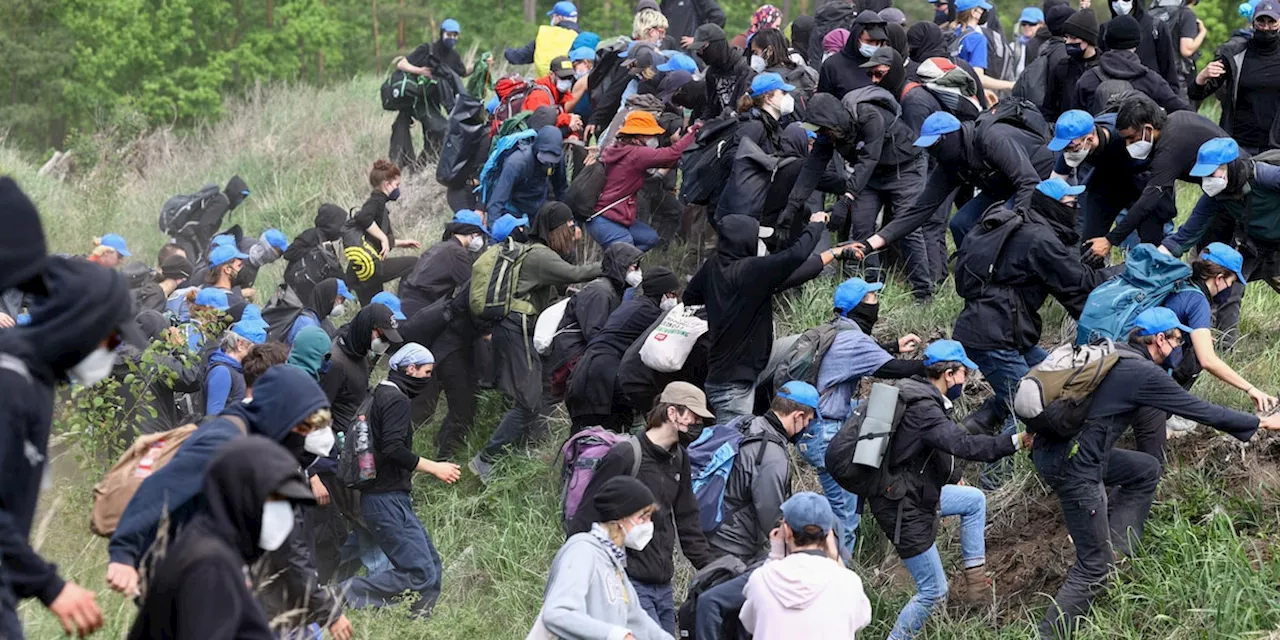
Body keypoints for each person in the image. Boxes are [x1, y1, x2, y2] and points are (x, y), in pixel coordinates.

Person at [1034, 307, 1280, 639]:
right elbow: (1201, 411)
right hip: (1077, 467)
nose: (1181, 348)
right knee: (1093, 567)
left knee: (1145, 469)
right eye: (1178, 339)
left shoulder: (1116, 354)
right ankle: (1050, 633)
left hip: (1056, 452)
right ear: (1160, 340)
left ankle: (1119, 549)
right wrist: (1261, 422)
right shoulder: (1143, 374)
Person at [0, 199, 146, 638]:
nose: (112, 351)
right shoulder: (10, 381)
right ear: (82, 325)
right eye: (112, 337)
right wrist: (51, 585)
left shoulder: (38, 381)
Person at [106, 366, 332, 597]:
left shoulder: (256, 440)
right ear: (281, 412)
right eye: (303, 426)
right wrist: (123, 553)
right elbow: (159, 488)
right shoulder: (225, 441)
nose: (302, 435)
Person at [953, 178, 1114, 486]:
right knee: (1029, 408)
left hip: (1002, 329)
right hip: (996, 337)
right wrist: (1119, 273)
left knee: (1050, 377)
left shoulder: (1024, 224)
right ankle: (993, 485)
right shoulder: (1039, 238)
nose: (1076, 210)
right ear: (1053, 206)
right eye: (1070, 204)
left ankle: (974, 426)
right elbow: (1077, 282)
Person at [869, 341, 1030, 639]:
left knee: (973, 500)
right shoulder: (925, 409)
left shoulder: (916, 392)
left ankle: (977, 585)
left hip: (913, 490)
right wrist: (1014, 442)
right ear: (948, 374)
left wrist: (953, 475)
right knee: (933, 591)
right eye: (964, 373)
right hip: (902, 505)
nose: (965, 380)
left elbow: (932, 445)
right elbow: (962, 444)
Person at [126, 436, 318, 640]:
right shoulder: (210, 564)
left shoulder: (218, 546)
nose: (284, 516)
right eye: (275, 502)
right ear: (242, 497)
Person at [567, 382, 719, 633]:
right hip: (627, 581)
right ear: (672, 413)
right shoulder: (626, 456)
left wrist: (714, 569)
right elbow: (587, 516)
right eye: (693, 416)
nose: (697, 425)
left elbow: (688, 520)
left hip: (663, 584)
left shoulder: (679, 459)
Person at [469, 204, 603, 483]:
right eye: (570, 227)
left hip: (516, 328)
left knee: (541, 390)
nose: (574, 233)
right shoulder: (540, 255)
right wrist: (613, 264)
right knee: (529, 401)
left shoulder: (537, 252)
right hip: (517, 329)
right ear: (557, 229)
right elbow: (575, 273)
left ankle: (523, 446)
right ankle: (486, 459)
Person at [788, 53, 934, 300]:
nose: (821, 135)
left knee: (907, 229)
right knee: (862, 229)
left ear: (831, 122)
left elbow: (868, 159)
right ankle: (870, 288)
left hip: (905, 169)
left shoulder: (868, 115)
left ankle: (923, 292)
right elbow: (812, 168)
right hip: (872, 176)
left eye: (822, 130)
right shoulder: (828, 131)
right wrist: (792, 205)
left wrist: (845, 201)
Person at [685, 213, 854, 423]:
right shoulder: (749, 270)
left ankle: (782, 402)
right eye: (757, 239)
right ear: (744, 242)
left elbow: (690, 296)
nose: (761, 244)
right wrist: (816, 224)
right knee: (734, 449)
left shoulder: (715, 266)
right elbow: (795, 256)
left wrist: (833, 253)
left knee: (813, 341)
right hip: (731, 387)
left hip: (755, 363)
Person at [801, 277, 924, 554]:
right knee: (845, 516)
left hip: (816, 427)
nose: (876, 303)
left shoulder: (837, 329)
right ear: (857, 306)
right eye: (871, 299)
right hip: (826, 432)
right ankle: (838, 576)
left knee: (875, 406)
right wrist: (935, 364)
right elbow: (892, 370)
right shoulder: (854, 340)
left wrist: (892, 345)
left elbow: (863, 353)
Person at [1126, 243, 1278, 460]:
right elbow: (1208, 360)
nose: (1229, 289)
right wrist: (1251, 388)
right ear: (1219, 278)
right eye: (1231, 282)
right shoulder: (1199, 301)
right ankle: (1163, 414)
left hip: (1134, 355)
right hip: (1149, 378)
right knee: (1152, 465)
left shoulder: (1182, 282)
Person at [340, 344, 461, 617]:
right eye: (426, 372)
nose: (429, 379)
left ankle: (419, 623)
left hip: (386, 497)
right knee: (420, 572)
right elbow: (394, 448)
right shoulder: (395, 400)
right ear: (411, 369)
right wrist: (435, 468)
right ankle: (341, 595)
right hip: (385, 499)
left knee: (430, 566)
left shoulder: (379, 392)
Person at [856, 108, 1054, 259]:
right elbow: (918, 210)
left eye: (934, 145)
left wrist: (1014, 221)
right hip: (1001, 185)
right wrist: (870, 243)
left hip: (1035, 175)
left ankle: (1009, 279)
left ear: (950, 137)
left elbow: (1028, 182)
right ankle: (975, 276)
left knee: (1000, 225)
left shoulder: (991, 140)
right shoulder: (949, 165)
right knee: (961, 223)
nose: (932, 153)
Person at [1085, 94, 1228, 257]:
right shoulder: (1174, 122)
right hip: (1219, 190)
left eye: (1132, 138)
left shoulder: (1168, 149)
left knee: (1211, 256)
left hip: (1231, 189)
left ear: (1148, 129)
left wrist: (1110, 240)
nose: (1128, 145)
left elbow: (1148, 200)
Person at [535, 476, 672, 639]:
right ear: (620, 517)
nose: (649, 524)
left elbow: (637, 619)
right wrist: (616, 635)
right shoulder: (582, 552)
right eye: (643, 517)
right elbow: (557, 613)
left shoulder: (614, 562)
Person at [709, 382, 820, 562]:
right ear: (798, 416)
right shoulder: (772, 454)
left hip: (713, 529)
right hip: (734, 546)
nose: (807, 427)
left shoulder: (745, 423)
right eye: (808, 421)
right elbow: (772, 515)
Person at [738, 492, 872, 639]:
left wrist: (775, 554)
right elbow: (861, 619)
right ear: (829, 535)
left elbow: (749, 623)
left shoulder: (760, 580)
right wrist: (835, 558)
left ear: (787, 532)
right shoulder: (849, 583)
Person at [565, 267, 682, 431]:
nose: (674, 299)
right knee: (604, 440)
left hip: (586, 373)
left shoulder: (632, 306)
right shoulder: (650, 314)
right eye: (672, 294)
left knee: (586, 439)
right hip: (603, 380)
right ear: (663, 294)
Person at [548, 243, 644, 401]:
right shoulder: (599, 292)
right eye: (634, 267)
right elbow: (594, 334)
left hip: (580, 356)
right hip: (572, 357)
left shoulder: (612, 290)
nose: (638, 272)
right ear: (620, 265)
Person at [589, 112, 697, 249]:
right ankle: (622, 266)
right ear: (639, 136)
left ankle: (628, 264)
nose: (653, 139)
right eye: (650, 135)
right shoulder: (636, 154)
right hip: (609, 218)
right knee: (624, 256)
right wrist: (692, 132)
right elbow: (671, 155)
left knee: (649, 238)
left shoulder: (617, 148)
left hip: (606, 215)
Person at [1188, 0, 1280, 154]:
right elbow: (1196, 93)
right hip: (1240, 143)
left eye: (1272, 22)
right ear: (1252, 22)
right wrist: (1202, 77)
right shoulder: (1234, 54)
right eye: (1261, 21)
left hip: (1276, 147)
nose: (1266, 27)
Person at [1073, 15, 1189, 114]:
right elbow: (1181, 110)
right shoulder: (1151, 80)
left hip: (1097, 139)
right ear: (1137, 43)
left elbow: (1074, 118)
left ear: (1107, 41)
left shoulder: (1087, 79)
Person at [115, 310, 204, 436]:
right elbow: (192, 379)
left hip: (117, 438)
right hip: (154, 439)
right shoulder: (156, 362)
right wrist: (180, 348)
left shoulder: (111, 360)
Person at [344, 159, 421, 305]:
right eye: (397, 184)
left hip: (361, 270)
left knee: (373, 310)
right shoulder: (377, 201)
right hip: (371, 266)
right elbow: (363, 217)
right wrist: (384, 239)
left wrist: (401, 243)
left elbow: (372, 236)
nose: (398, 189)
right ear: (387, 184)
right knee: (414, 264)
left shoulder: (378, 202)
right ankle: (404, 305)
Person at [399, 210, 488, 318]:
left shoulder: (440, 247)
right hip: (422, 307)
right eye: (479, 234)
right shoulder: (457, 253)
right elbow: (472, 289)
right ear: (473, 234)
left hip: (407, 302)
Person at [486, 125, 570, 223]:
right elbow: (497, 201)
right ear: (537, 148)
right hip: (513, 208)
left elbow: (561, 189)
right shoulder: (516, 163)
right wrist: (495, 234)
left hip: (538, 203)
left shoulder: (557, 159)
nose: (547, 161)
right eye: (545, 156)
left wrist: (568, 219)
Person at [1099, 0, 1182, 92]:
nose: (1119, 3)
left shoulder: (1156, 28)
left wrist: (1171, 99)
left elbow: (1169, 70)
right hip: (1114, 97)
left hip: (1151, 96)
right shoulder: (1105, 30)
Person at [687, 24, 756, 122]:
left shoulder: (743, 67)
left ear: (717, 44)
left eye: (703, 48)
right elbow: (711, 107)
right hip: (723, 125)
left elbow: (746, 106)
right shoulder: (711, 73)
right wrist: (703, 123)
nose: (700, 54)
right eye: (698, 50)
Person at [284, 203, 347, 303]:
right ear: (332, 223)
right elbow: (288, 253)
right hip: (293, 291)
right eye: (340, 224)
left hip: (307, 295)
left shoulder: (326, 242)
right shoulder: (312, 235)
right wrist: (313, 252)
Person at [817, 11, 890, 98]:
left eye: (878, 42)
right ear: (856, 37)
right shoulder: (832, 66)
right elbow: (822, 103)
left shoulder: (885, 64)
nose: (874, 46)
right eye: (869, 41)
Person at [1040, 7, 1096, 120]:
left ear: (1088, 40)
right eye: (1067, 37)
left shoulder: (1101, 69)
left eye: (1073, 38)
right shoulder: (1062, 67)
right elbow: (1048, 108)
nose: (1068, 42)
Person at [951, 0, 1015, 92]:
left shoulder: (952, 34)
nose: (985, 13)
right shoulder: (977, 39)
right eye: (982, 10)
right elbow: (979, 78)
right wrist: (1010, 85)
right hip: (965, 95)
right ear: (974, 13)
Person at [205, 320, 265, 416]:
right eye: (255, 349)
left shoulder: (238, 369)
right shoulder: (222, 372)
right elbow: (213, 417)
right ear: (240, 345)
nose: (256, 355)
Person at [506, 1, 582, 76]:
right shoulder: (580, 38)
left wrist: (508, 52)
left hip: (543, 85)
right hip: (569, 85)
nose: (551, 19)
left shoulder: (545, 34)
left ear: (559, 18)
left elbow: (522, 56)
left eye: (553, 17)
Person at [750, 27, 819, 92]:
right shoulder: (805, 73)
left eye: (756, 53)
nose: (754, 58)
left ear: (769, 51)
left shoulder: (764, 81)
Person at [661, 0, 725, 45]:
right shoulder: (667, 1)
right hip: (666, 51)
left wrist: (700, 39)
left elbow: (719, 17)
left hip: (688, 53)